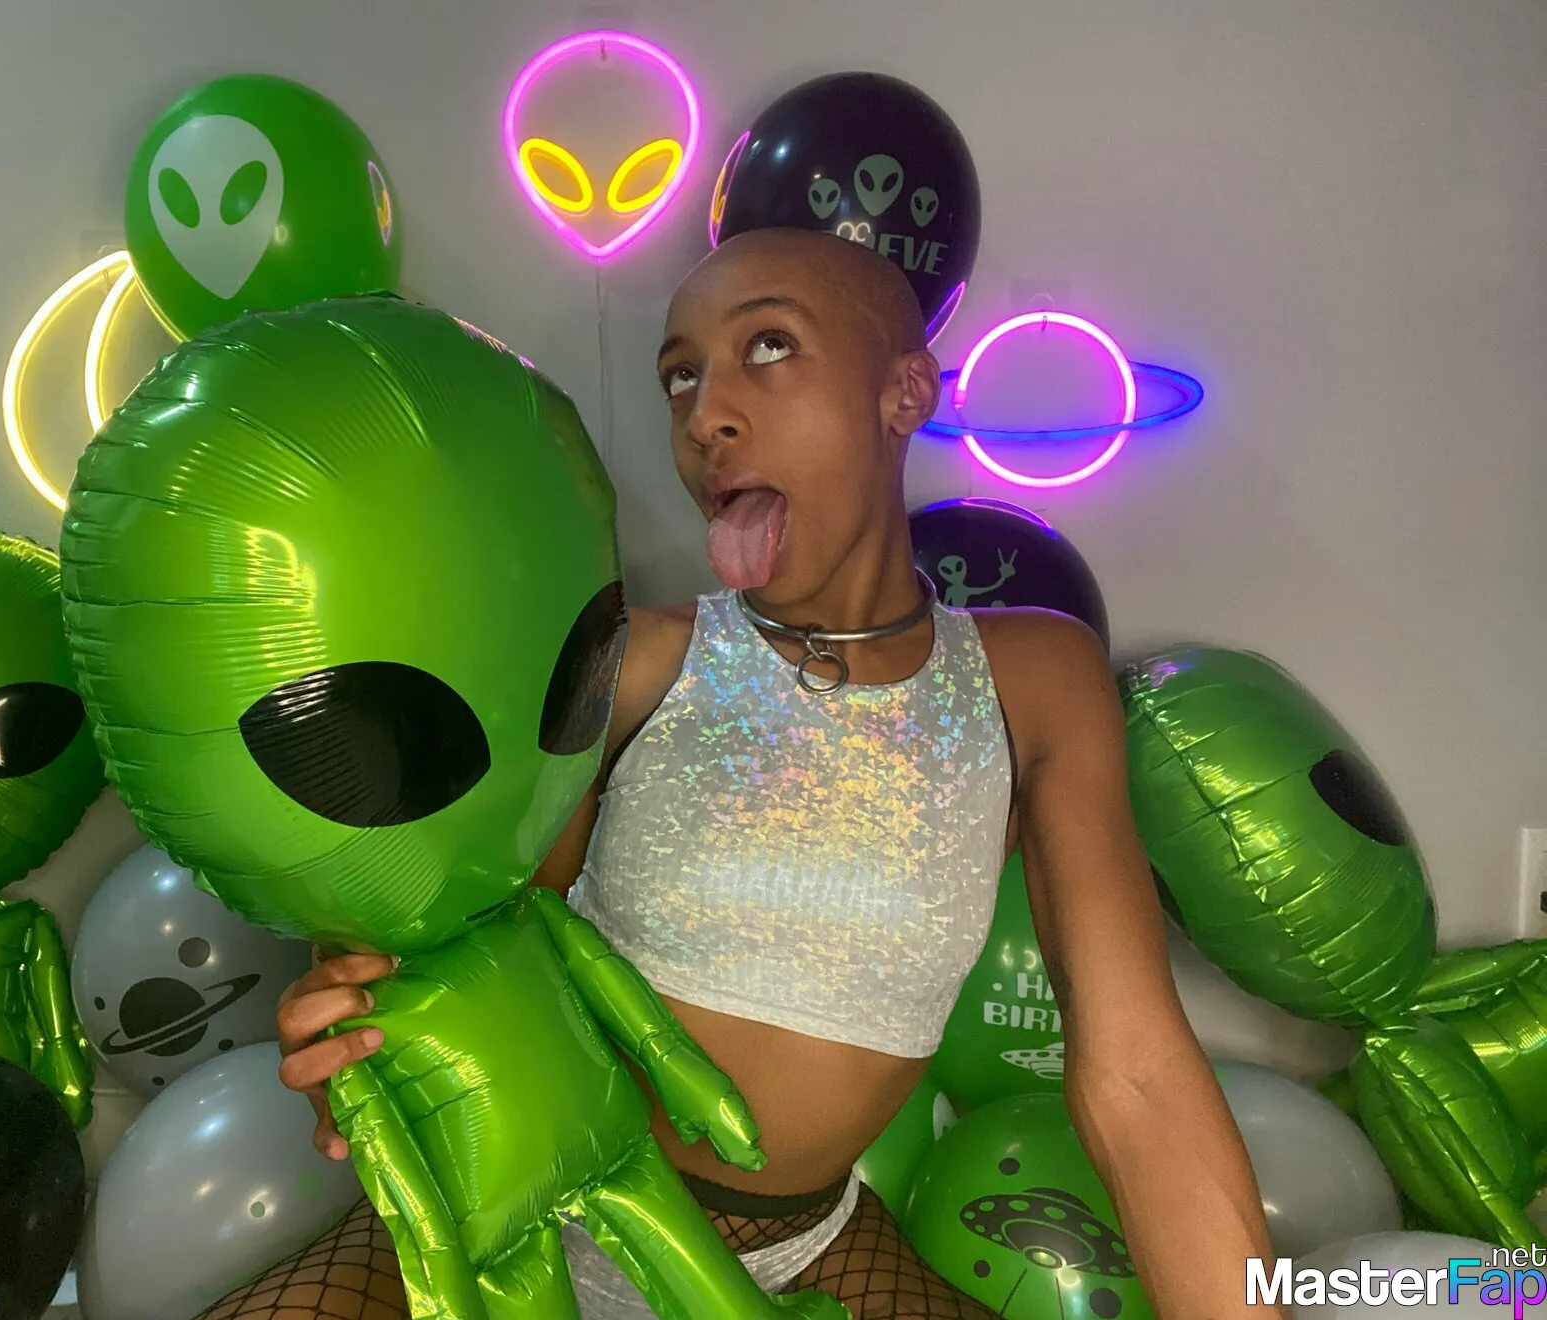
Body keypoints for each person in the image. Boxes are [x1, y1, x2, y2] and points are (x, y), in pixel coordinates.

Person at [197, 228, 1281, 1320]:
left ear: (905, 392)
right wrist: (355, 1014)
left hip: (802, 1250)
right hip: (511, 1223)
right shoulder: (633, 660)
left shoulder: (1035, 678)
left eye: (769, 347)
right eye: (681, 376)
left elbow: (1139, 1076)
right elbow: (479, 951)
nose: (705, 414)